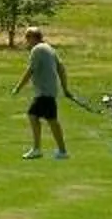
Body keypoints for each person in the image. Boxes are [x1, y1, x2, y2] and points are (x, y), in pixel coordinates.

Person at [13, 26, 71, 159]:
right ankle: (62, 151)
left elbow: (30, 70)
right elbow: (61, 68)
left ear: (34, 38)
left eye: (28, 37)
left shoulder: (37, 50)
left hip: (44, 92)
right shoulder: (49, 48)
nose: (26, 40)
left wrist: (18, 87)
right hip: (50, 91)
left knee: (33, 115)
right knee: (51, 120)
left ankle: (37, 149)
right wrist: (64, 88)